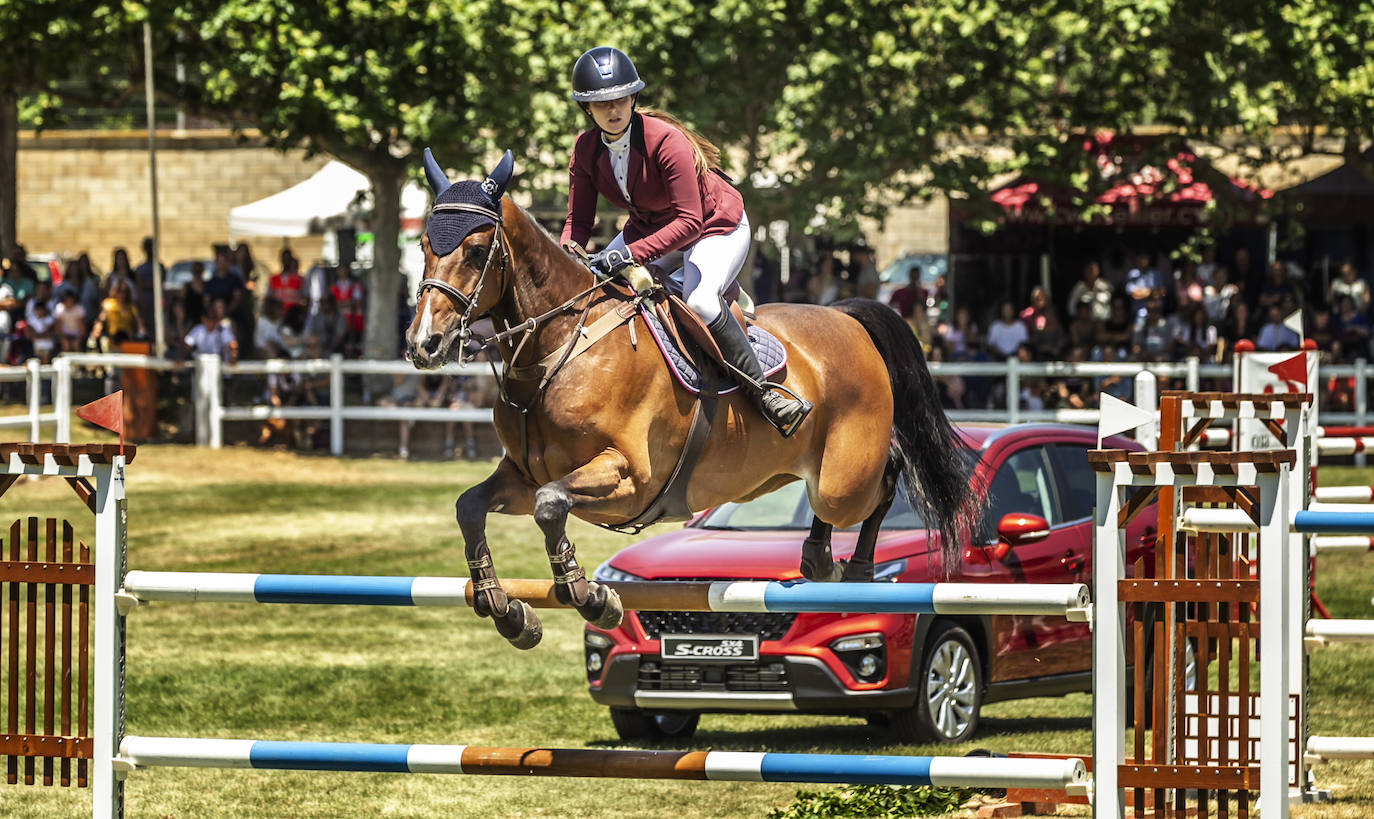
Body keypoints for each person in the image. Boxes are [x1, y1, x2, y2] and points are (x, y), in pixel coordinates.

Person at [558, 46, 810, 437]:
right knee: (587, 288)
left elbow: (690, 222)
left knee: (699, 301)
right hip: (653, 228)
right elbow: (578, 222)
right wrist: (569, 254)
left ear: (633, 98)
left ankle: (767, 393)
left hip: (713, 225)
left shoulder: (665, 141)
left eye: (621, 98)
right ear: (587, 109)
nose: (613, 109)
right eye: (602, 102)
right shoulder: (585, 150)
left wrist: (629, 255)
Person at [182, 299, 238, 364]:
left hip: (219, 365)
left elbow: (232, 344)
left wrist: (233, 356)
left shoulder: (223, 329)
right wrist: (181, 358)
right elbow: (187, 344)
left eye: (213, 318)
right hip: (202, 365)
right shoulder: (198, 329)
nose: (211, 321)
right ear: (204, 319)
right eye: (209, 319)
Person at [132, 236, 164, 333]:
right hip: (144, 303)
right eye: (147, 247)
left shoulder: (159, 267)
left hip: (157, 303)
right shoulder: (139, 269)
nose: (149, 250)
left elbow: (160, 284)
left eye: (151, 247)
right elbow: (138, 286)